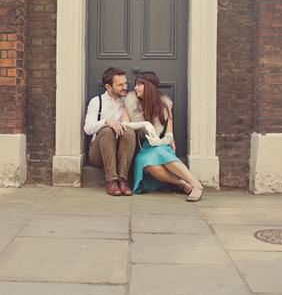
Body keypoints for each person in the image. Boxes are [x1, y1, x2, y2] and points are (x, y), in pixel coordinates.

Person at [122, 71, 204, 202]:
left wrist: (163, 142)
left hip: (161, 145)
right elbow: (124, 124)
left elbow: (169, 135)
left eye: (139, 84)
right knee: (148, 164)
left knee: (160, 152)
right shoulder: (130, 103)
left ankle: (196, 185)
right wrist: (144, 124)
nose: (135, 88)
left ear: (148, 86)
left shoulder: (165, 104)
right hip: (144, 148)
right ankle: (183, 184)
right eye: (136, 85)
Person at [84, 67, 136, 196]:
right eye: (120, 85)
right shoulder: (97, 102)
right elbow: (88, 128)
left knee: (129, 131)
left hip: (122, 152)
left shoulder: (128, 101)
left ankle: (123, 180)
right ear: (108, 87)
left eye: (125, 83)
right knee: (107, 131)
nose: (125, 87)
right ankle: (111, 181)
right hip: (99, 153)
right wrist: (106, 121)